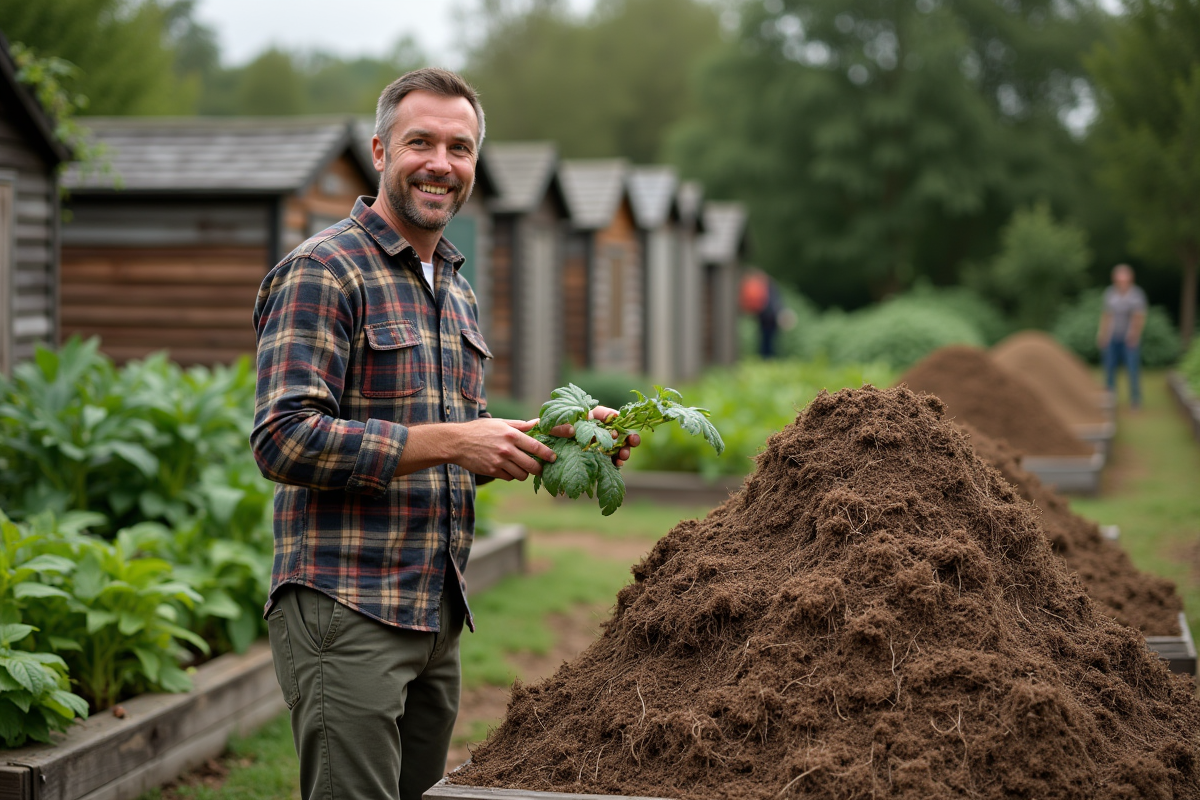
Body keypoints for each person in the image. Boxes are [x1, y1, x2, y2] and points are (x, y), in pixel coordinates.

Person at [250, 68, 638, 800]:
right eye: (420, 141)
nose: (440, 163)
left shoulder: (452, 285)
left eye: (459, 148)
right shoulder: (324, 271)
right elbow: (284, 437)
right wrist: (456, 442)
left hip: (435, 610)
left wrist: (563, 437)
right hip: (348, 605)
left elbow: (462, 439)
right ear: (379, 150)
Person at [1096, 263, 1147, 408]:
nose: (1121, 282)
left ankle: (1135, 400)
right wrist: (1102, 334)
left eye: (1124, 279)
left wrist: (1134, 335)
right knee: (1109, 368)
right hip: (1113, 336)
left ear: (1130, 279)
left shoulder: (1136, 294)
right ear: (1115, 279)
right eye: (1119, 279)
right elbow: (1106, 315)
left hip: (1129, 338)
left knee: (1132, 369)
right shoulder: (1110, 293)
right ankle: (1110, 398)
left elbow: (1139, 316)